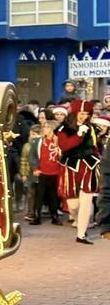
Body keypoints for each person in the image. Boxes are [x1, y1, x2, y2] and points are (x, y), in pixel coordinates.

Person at [57, 100, 100, 244]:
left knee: (86, 200)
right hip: (71, 166)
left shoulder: (92, 128)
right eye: (81, 113)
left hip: (88, 165)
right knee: (73, 205)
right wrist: (79, 136)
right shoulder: (64, 128)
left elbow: (95, 147)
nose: (84, 117)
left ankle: (81, 234)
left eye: (87, 114)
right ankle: (77, 220)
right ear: (75, 113)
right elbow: (64, 146)